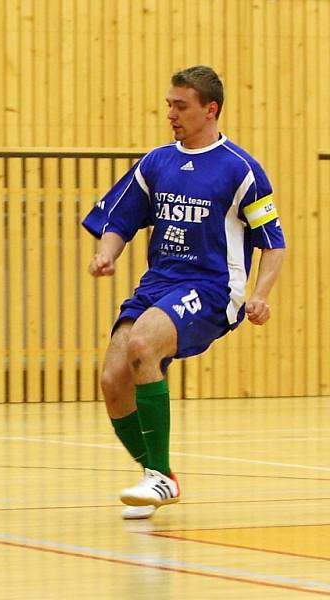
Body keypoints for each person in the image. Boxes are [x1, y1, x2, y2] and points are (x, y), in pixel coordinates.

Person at [82, 65, 285, 520]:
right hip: (158, 285)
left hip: (214, 288)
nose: (170, 113)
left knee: (141, 344)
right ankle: (161, 475)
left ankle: (157, 478)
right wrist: (107, 253)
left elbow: (273, 243)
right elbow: (118, 220)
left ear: (209, 109)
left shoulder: (242, 169)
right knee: (114, 380)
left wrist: (260, 293)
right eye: (169, 104)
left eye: (181, 105)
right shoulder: (156, 162)